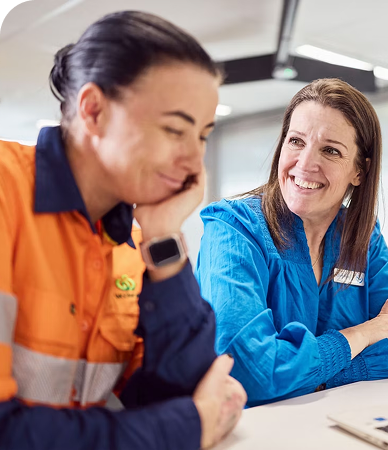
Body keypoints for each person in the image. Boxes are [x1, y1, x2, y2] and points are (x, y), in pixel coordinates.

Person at [0, 10, 246, 450]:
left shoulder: (131, 243)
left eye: (203, 135)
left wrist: (164, 236)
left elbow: (186, 394)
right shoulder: (5, 193)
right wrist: (186, 426)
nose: (195, 162)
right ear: (93, 111)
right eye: (175, 130)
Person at [196, 78, 388, 407]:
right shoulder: (234, 229)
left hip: (330, 421)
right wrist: (360, 335)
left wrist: (306, 374)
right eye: (296, 141)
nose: (305, 163)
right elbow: (250, 371)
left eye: (330, 150)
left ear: (359, 172)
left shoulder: (361, 236)